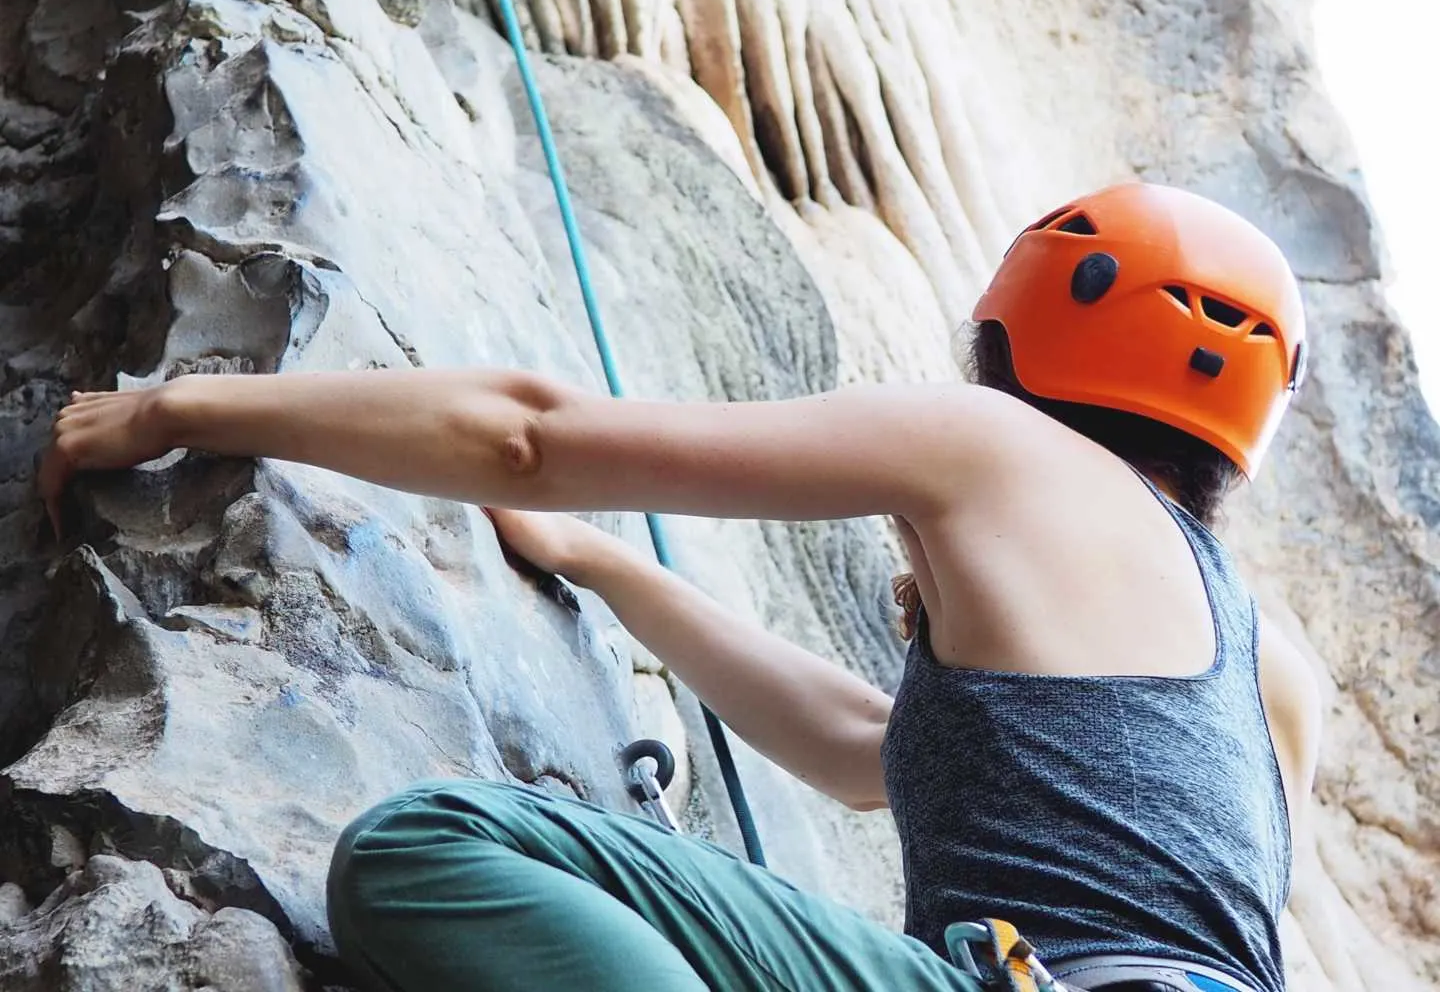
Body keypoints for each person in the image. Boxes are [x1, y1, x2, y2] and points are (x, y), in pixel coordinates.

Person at [39, 182, 1321, 992]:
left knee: (427, 850)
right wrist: (608, 569)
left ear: (1016, 331)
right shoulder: (1271, 669)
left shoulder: (993, 446)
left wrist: (177, 408)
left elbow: (526, 437)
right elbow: (869, 752)